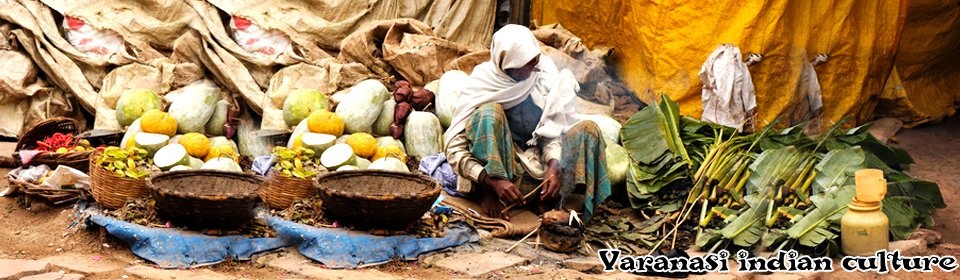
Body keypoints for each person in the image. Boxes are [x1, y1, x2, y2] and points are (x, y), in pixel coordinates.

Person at [443, 25, 611, 223]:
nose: (537, 67)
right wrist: (493, 182)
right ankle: (488, 193)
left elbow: (553, 127)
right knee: (489, 113)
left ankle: (557, 201)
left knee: (588, 130)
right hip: (504, 177)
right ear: (507, 63)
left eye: (536, 60)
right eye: (528, 64)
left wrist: (554, 165)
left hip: (536, 171)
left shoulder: (542, 73)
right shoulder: (482, 84)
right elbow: (455, 151)